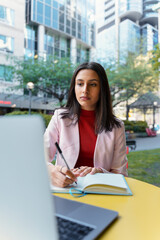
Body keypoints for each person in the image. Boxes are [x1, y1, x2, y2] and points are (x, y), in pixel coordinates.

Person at [44, 62, 128, 187]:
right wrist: (52, 172)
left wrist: (101, 172)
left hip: (100, 191)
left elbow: (121, 173)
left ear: (102, 89)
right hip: (66, 189)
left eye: (93, 84)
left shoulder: (116, 126)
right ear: (74, 87)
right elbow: (39, 158)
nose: (85, 90)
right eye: (80, 84)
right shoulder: (60, 118)